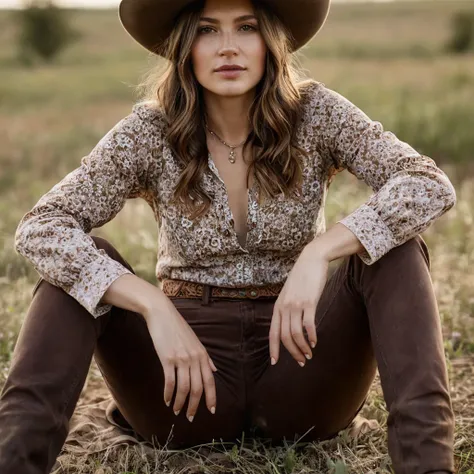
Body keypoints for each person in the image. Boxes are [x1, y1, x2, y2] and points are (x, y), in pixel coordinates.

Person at [0, 0, 457, 472]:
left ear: (271, 42)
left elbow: (427, 184)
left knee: (394, 249)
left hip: (301, 369)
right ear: (183, 47)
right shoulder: (148, 131)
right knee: (82, 263)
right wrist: (151, 304)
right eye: (207, 31)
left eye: (246, 28)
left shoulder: (316, 113)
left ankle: (428, 465)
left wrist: (321, 252)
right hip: (181, 382)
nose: (228, 48)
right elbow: (42, 226)